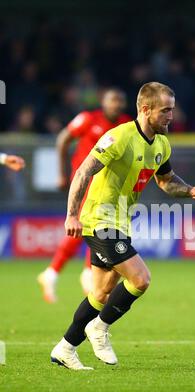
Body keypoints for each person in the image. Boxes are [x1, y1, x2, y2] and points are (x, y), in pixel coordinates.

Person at [50, 82, 195, 370]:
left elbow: (165, 181)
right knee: (141, 279)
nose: (172, 116)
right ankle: (99, 329)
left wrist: (189, 191)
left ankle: (66, 347)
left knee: (101, 293)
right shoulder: (119, 138)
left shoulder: (161, 143)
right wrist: (71, 214)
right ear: (146, 110)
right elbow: (84, 170)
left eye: (172, 110)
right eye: (166, 110)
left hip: (121, 223)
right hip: (100, 220)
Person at [37, 88, 131, 303]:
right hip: (85, 182)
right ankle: (72, 273)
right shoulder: (88, 119)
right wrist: (61, 173)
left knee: (92, 227)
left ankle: (64, 273)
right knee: (86, 225)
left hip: (110, 186)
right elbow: (63, 139)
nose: (116, 104)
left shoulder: (126, 124)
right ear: (103, 101)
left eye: (120, 101)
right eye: (112, 100)